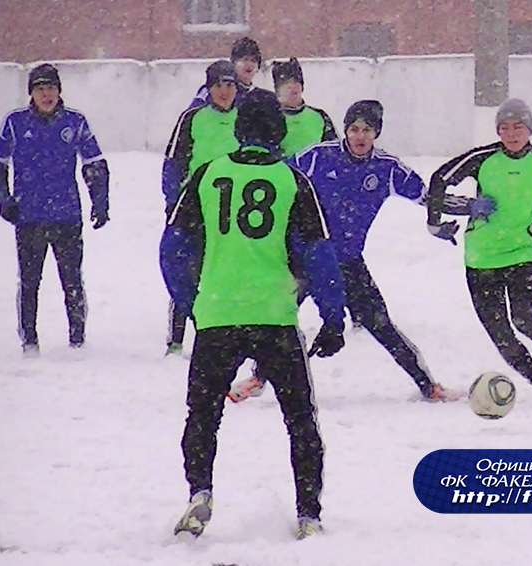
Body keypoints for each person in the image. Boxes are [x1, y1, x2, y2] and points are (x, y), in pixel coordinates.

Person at [163, 90, 346, 540]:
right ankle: (309, 514)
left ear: (239, 129)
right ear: (278, 132)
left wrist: (190, 302)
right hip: (274, 315)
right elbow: (320, 255)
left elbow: (172, 248)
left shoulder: (208, 175)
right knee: (300, 419)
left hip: (218, 313)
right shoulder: (292, 181)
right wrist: (333, 317)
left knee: (202, 414)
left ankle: (200, 491)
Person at [228, 100, 462, 403]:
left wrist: (467, 209)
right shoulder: (317, 157)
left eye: (367, 130)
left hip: (348, 262)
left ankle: (429, 386)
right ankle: (258, 378)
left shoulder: (388, 168)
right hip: (306, 256)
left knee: (381, 325)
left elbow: (428, 198)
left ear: (376, 133)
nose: (359, 136)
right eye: (354, 129)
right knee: (276, 318)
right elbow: (276, 180)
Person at [426, 98, 532, 403]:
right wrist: (440, 220)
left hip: (521, 254)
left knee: (525, 320)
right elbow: (438, 180)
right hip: (480, 257)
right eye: (504, 128)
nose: (511, 134)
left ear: (530, 129)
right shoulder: (482, 158)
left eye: (518, 127)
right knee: (501, 334)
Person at [0, 63, 109, 356]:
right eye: (40, 88)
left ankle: (77, 341)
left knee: (72, 280)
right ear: (31, 93)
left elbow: (95, 164)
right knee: (29, 282)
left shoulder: (75, 122)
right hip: (29, 217)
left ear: (59, 91)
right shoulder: (15, 123)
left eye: (51, 88)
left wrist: (100, 202)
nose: (46, 94)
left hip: (67, 216)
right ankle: (29, 341)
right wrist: (5, 202)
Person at [160, 60, 240, 356]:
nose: (224, 91)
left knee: (227, 273)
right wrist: (173, 202)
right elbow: (173, 162)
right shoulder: (192, 118)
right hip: (196, 209)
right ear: (208, 88)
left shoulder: (245, 117)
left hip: (234, 211)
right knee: (186, 270)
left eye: (229, 85)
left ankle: (226, 335)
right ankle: (177, 339)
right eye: (218, 85)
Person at [271, 57, 337, 157]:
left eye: (296, 81)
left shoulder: (319, 116)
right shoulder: (269, 117)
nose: (292, 86)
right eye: (285, 83)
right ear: (277, 89)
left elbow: (334, 151)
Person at [188, 36, 270, 110]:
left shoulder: (262, 97)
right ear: (234, 63)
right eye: (244, 59)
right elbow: (191, 114)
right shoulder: (216, 90)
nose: (249, 64)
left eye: (253, 60)